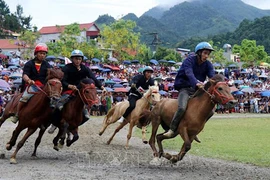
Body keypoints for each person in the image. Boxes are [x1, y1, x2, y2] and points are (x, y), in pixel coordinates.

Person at [164, 42, 215, 137]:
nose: (206, 56)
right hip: (185, 88)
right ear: (199, 53)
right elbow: (189, 74)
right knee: (182, 107)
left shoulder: (208, 64)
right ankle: (172, 128)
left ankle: (195, 130)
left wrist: (218, 82)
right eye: (205, 53)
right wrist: (196, 83)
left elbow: (212, 76)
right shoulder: (189, 61)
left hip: (197, 89)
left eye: (208, 54)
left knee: (211, 111)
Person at [48, 49, 106, 133]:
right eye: (76, 59)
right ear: (72, 59)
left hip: (79, 92)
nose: (78, 61)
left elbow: (93, 78)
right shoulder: (66, 68)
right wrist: (69, 86)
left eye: (79, 59)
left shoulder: (85, 68)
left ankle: (74, 125)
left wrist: (101, 87)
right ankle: (54, 123)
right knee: (59, 106)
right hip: (67, 90)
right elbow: (62, 80)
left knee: (86, 116)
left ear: (82, 59)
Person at [6, 43, 52, 123]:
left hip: (43, 87)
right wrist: (29, 80)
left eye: (44, 54)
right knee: (24, 98)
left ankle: (48, 119)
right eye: (40, 53)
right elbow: (25, 75)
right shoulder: (29, 64)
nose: (42, 55)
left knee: (52, 100)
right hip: (32, 86)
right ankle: (17, 114)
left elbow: (50, 75)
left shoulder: (47, 65)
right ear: (36, 54)